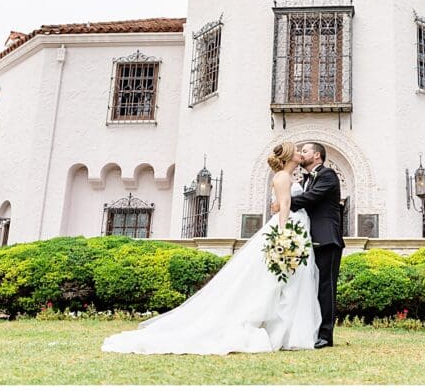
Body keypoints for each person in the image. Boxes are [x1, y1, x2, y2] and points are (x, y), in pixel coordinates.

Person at [101, 142, 320, 355]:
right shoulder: (282, 177)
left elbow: (282, 204)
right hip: (288, 229)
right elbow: (284, 207)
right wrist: (283, 235)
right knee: (276, 281)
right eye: (298, 150)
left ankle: (290, 331)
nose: (302, 153)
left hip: (296, 228)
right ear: (290, 155)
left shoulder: (290, 177)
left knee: (288, 281)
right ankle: (280, 330)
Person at [271, 141, 343, 348]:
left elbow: (312, 197)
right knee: (310, 287)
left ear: (317, 156)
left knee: (326, 287)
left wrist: (284, 203)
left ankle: (326, 336)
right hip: (309, 238)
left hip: (327, 238)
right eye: (299, 151)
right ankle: (311, 330)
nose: (301, 154)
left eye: (305, 151)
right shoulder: (304, 178)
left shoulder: (328, 175)